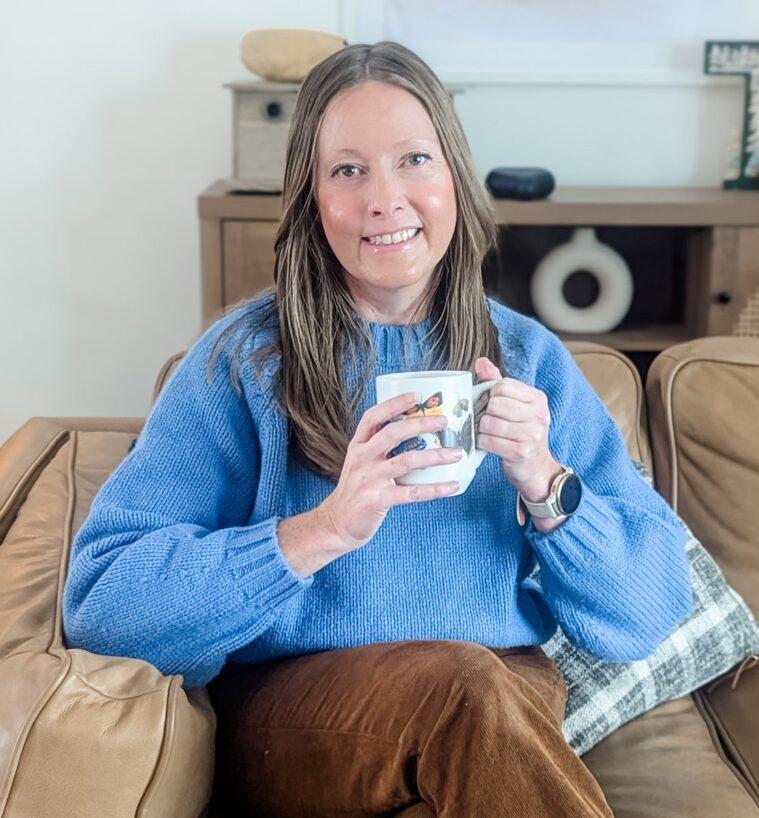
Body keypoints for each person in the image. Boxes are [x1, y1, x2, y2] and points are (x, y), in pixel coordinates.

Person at [62, 41, 694, 817]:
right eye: (348, 170)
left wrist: (545, 483)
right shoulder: (243, 363)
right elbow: (102, 607)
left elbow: (649, 614)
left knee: (478, 696)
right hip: (305, 710)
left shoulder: (527, 358)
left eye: (415, 160)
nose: (385, 198)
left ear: (455, 180)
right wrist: (322, 530)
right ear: (312, 199)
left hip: (500, 698)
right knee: (468, 687)